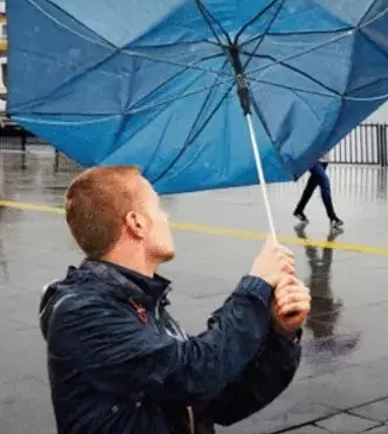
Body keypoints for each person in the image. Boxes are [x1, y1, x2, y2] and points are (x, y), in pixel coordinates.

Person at [39, 166, 310, 434]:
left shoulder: (141, 304)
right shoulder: (83, 312)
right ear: (136, 223)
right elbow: (195, 372)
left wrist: (280, 334)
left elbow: (221, 401)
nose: (166, 218)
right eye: (158, 208)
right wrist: (257, 285)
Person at [293, 153, 344, 228]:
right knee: (325, 181)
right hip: (313, 160)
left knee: (311, 187)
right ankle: (332, 217)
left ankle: (298, 210)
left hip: (324, 160)